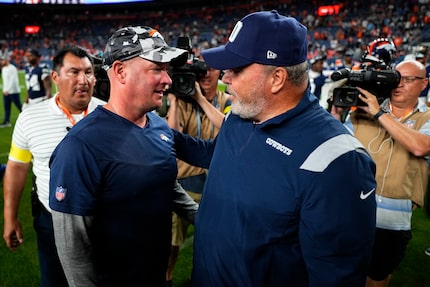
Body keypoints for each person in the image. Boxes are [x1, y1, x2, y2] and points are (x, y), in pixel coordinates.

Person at [172, 10, 378, 286]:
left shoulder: (337, 160)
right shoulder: (243, 114)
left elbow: (336, 276)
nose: (226, 77)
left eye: (237, 68)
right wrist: (159, 135)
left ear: (277, 78)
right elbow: (218, 154)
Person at [48, 26, 197, 287]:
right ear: (120, 71)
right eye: (157, 69)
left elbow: (165, 183)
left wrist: (205, 218)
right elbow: (74, 249)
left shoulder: (159, 125)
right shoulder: (80, 147)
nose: (168, 80)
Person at [3, 45, 106, 287]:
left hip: (104, 220)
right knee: (53, 281)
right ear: (55, 77)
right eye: (74, 72)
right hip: (51, 221)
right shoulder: (30, 118)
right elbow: (17, 167)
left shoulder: (110, 113)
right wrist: (10, 217)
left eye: (89, 72)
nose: (83, 80)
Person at [331, 59, 430, 287]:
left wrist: (379, 113)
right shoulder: (361, 114)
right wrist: (336, 117)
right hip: (352, 213)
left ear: (424, 84)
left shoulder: (426, 117)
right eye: (395, 77)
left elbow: (421, 146)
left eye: (408, 79)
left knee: (376, 278)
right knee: (342, 274)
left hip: (392, 223)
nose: (399, 84)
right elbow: (337, 151)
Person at [165, 61, 231, 286]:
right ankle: (168, 279)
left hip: (213, 184)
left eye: (211, 69)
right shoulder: (181, 102)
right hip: (182, 181)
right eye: (200, 70)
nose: (205, 74)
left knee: (216, 241)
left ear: (219, 72)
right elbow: (172, 137)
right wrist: (174, 100)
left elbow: (229, 129)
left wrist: (200, 99)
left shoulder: (226, 101)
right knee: (172, 245)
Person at [0, 55, 22, 127]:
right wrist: (5, 90)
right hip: (6, 91)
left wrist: (8, 90)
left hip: (13, 92)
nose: (1, 62)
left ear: (7, 60)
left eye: (2, 60)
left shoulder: (12, 68)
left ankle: (28, 120)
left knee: (20, 107)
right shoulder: (3, 69)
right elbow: (5, 81)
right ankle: (6, 122)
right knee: (7, 107)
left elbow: (13, 80)